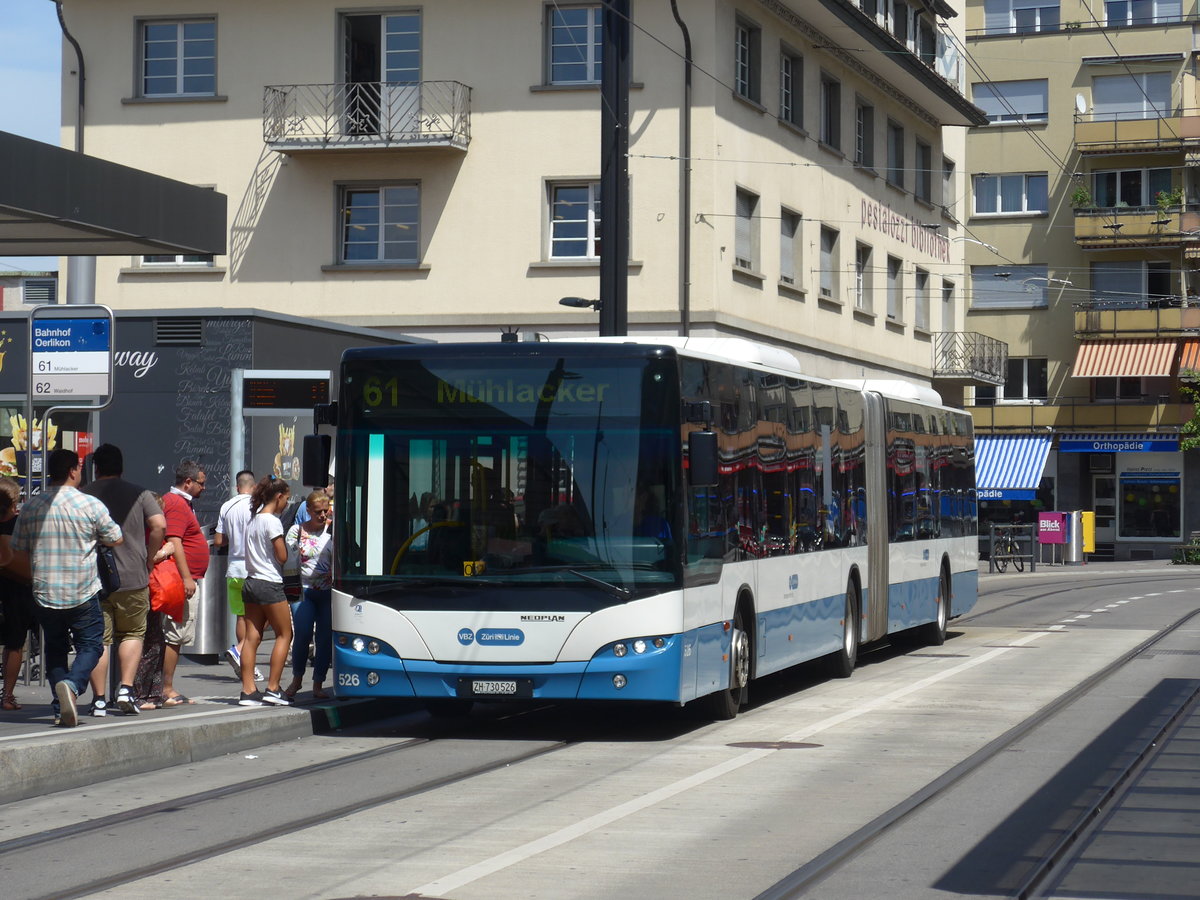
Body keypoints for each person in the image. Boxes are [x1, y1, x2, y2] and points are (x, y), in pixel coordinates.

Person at [12, 449, 123, 727]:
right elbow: (115, 537)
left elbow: (18, 548)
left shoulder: (31, 506)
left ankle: (59, 706)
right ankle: (72, 686)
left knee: (55, 649)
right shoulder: (90, 504)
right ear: (73, 471)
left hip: (45, 591)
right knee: (92, 645)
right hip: (82, 589)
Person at [82, 444, 166, 717]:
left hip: (94, 578)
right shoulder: (140, 493)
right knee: (132, 633)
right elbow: (159, 525)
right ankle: (126, 690)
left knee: (99, 639)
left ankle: (98, 700)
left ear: (96, 468)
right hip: (133, 575)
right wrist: (149, 557)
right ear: (121, 467)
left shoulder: (84, 494)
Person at [238, 476, 294, 706]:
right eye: (286, 499)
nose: (287, 504)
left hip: (250, 582)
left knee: (251, 637)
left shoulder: (253, 520)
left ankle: (248, 691)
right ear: (278, 496)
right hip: (269, 583)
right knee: (285, 634)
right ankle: (273, 687)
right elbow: (282, 556)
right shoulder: (272, 522)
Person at [160, 460, 210, 707]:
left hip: (182, 578)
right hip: (180, 580)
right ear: (188, 482)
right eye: (201, 483)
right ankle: (166, 688)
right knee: (175, 635)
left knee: (176, 635)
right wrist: (187, 577)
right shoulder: (178, 504)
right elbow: (175, 541)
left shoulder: (180, 503)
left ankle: (164, 687)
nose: (204, 488)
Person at [284, 490, 334, 701]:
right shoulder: (296, 531)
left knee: (324, 638)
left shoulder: (334, 530)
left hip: (328, 591)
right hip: (302, 590)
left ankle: (318, 683)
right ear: (308, 511)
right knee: (303, 635)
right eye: (317, 512)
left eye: (325, 511)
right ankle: (297, 680)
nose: (322, 515)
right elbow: (285, 559)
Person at [214, 470, 262, 683]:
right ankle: (242, 652)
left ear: (237, 487)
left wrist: (233, 538)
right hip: (253, 569)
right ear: (254, 487)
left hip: (233, 570)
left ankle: (245, 663)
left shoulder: (227, 506)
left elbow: (218, 541)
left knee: (241, 617)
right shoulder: (257, 505)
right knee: (261, 616)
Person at [0, 476, 31, 711]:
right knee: (15, 644)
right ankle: (7, 695)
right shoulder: (20, 526)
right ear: (14, 502)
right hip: (16, 589)